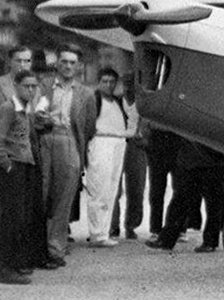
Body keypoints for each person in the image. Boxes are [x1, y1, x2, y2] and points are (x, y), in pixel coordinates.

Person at [33, 46, 97, 268]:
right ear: (57, 64)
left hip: (70, 141)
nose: (68, 66)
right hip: (45, 138)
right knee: (41, 192)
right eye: (64, 62)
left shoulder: (86, 93)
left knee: (64, 197)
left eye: (72, 62)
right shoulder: (44, 86)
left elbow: (89, 127)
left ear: (78, 66)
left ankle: (55, 248)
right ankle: (35, 247)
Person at [145, 138, 224, 253]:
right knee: (180, 201)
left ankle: (210, 242)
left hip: (210, 160)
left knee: (213, 203)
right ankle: (166, 240)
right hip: (191, 160)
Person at [0, 71, 42, 284]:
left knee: (22, 217)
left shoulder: (26, 109)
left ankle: (15, 263)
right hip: (14, 167)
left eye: (34, 86)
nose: (31, 90)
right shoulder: (9, 108)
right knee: (12, 217)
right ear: (15, 85)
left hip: (25, 165)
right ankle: (6, 268)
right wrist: (7, 165)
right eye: (27, 86)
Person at [80, 67, 128, 247]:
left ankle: (104, 231)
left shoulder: (117, 101)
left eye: (112, 82)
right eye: (105, 81)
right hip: (100, 143)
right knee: (99, 189)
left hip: (118, 143)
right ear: (99, 82)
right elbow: (88, 125)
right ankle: (96, 234)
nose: (108, 85)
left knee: (111, 190)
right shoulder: (95, 99)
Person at [109, 74, 146, 240]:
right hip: (118, 143)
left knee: (136, 187)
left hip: (136, 146)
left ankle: (131, 225)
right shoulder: (115, 101)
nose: (129, 88)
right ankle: (113, 225)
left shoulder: (144, 104)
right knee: (114, 186)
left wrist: (144, 136)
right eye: (126, 85)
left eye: (132, 85)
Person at [144, 125, 180, 240]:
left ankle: (178, 228)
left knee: (180, 188)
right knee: (156, 190)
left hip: (176, 139)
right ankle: (156, 229)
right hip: (157, 139)